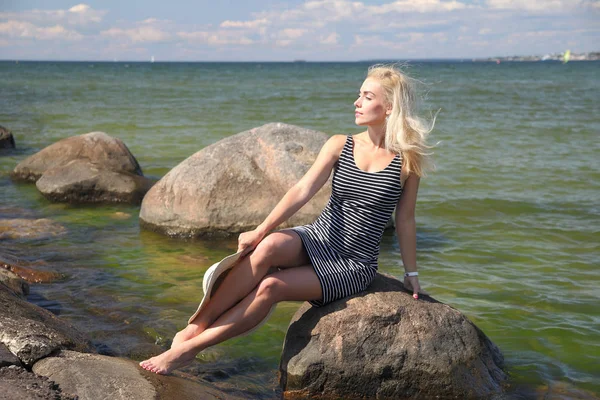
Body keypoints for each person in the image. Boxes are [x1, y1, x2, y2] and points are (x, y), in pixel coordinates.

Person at [140, 64, 434, 374]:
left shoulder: (407, 161)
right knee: (267, 246)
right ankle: (195, 326)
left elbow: (405, 219)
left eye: (366, 96)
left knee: (271, 286)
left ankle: (189, 350)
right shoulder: (341, 144)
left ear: (389, 107)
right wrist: (260, 229)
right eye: (358, 95)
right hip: (318, 236)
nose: (356, 102)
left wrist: (411, 272)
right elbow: (302, 189)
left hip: (353, 263)